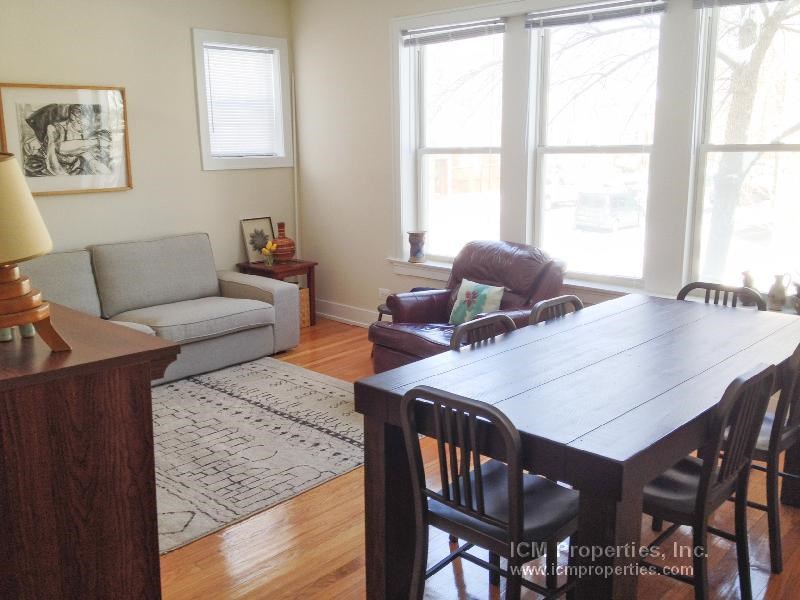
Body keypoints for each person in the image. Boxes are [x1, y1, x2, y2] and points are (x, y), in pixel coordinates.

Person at [23, 104, 112, 177]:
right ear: (72, 115)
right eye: (80, 121)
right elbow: (59, 151)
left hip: (72, 167)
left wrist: (96, 165)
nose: (84, 127)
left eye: (88, 124)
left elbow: (84, 154)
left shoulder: (83, 132)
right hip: (45, 165)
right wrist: (96, 142)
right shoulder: (55, 128)